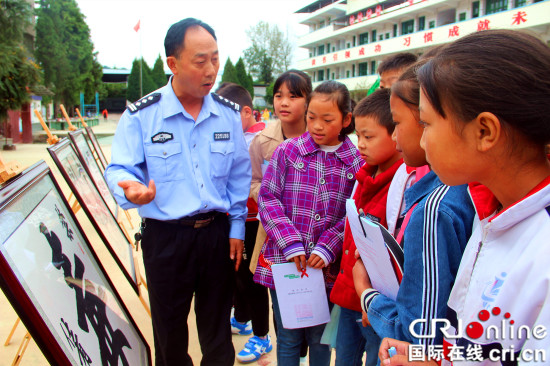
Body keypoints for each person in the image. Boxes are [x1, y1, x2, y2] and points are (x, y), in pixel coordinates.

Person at [378, 29, 550, 366]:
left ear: (484, 131)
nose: (421, 142)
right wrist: (437, 360)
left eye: (426, 123)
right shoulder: (489, 213)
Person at [103, 18, 251, 366]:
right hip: (166, 239)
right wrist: (131, 189)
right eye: (201, 60)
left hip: (217, 235)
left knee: (217, 337)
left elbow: (238, 176)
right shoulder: (142, 116)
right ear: (173, 63)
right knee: (169, 337)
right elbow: (119, 168)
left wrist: (236, 228)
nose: (211, 69)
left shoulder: (226, 115)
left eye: (216, 58)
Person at [352, 62, 475, 350]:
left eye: (396, 123)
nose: (394, 137)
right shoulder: (469, 189)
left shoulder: (434, 210)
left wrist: (365, 292)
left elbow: (419, 338)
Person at [255, 80, 363, 366]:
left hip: (325, 267)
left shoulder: (355, 162)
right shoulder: (288, 151)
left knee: (320, 337)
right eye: (312, 117)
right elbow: (268, 198)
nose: (317, 126)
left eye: (327, 119)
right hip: (285, 261)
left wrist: (328, 247)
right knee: (288, 335)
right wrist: (291, 243)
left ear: (346, 119)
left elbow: (353, 214)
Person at [330, 89, 403, 366]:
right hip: (350, 291)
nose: (360, 144)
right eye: (357, 135)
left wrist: (369, 298)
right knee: (344, 358)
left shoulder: (402, 185)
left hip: (378, 302)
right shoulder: (363, 175)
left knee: (377, 357)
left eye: (368, 137)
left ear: (396, 134)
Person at [247, 69, 312, 364]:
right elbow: (254, 181)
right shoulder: (262, 141)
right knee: (283, 311)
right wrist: (275, 199)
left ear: (309, 101)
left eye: (294, 96)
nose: (284, 102)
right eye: (278, 96)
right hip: (275, 237)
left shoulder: (320, 137)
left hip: (314, 240)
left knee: (313, 316)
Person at [215, 82, 273, 363]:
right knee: (238, 273)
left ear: (247, 112)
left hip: (254, 221)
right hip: (235, 218)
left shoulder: (260, 140)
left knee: (253, 279)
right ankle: (241, 318)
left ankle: (262, 336)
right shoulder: (231, 136)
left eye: (228, 115)